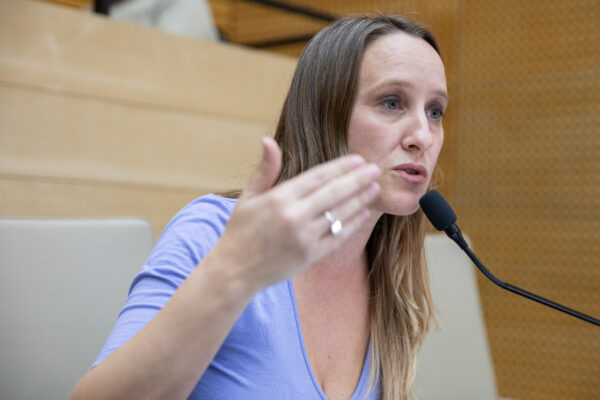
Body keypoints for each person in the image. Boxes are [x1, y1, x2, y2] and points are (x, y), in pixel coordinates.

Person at [70, 14, 448, 400]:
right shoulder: (214, 233)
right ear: (325, 114)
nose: (423, 135)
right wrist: (233, 273)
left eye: (435, 111)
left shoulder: (391, 271)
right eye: (391, 102)